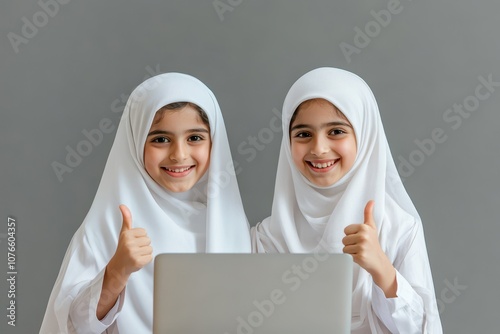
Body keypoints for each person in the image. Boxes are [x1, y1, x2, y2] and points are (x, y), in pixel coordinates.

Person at [40, 72, 251, 333]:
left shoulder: (228, 225)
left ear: (214, 141)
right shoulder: (107, 228)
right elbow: (71, 325)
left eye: (194, 138)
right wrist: (117, 271)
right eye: (160, 139)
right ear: (136, 141)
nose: (179, 155)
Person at [252, 67, 442, 333]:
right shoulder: (266, 237)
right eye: (303, 134)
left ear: (364, 136)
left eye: (336, 132)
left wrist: (382, 270)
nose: (319, 148)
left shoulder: (397, 228)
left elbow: (423, 329)